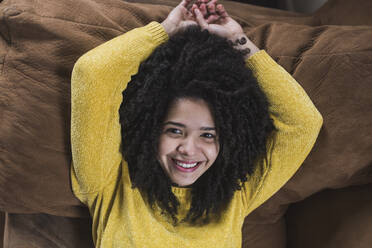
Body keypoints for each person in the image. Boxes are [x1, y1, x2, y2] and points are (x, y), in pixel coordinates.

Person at [70, 0, 323, 247]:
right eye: (175, 130)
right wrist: (164, 31)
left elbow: (304, 123)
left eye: (208, 135)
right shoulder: (108, 179)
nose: (189, 149)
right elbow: (92, 74)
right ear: (151, 130)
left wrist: (238, 40)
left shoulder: (236, 192)